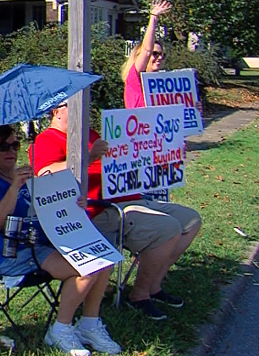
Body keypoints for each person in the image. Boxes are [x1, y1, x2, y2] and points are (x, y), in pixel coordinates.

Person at [30, 103, 202, 320]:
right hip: (100, 209)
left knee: (190, 220)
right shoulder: (47, 140)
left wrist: (167, 149)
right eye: (73, 104)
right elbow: (45, 175)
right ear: (57, 111)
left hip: (131, 196)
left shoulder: (89, 134)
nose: (82, 108)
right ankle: (139, 295)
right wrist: (89, 157)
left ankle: (153, 286)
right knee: (169, 228)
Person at [0, 125, 121, 356]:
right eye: (3, 146)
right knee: (86, 269)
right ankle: (60, 330)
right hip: (8, 251)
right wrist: (14, 187)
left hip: (41, 241)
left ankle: (89, 324)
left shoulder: (28, 176)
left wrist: (73, 203)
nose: (11, 151)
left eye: (15, 145)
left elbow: (50, 206)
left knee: (103, 259)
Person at [122, 0, 172, 108]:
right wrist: (154, 16)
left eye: (162, 55)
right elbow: (146, 50)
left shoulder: (161, 84)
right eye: (155, 54)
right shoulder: (134, 79)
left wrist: (193, 107)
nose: (160, 58)